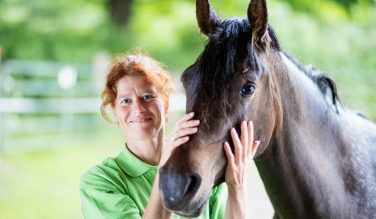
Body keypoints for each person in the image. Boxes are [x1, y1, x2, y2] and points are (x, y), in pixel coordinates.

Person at [80, 53, 260, 219]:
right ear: (116, 112)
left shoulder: (199, 167)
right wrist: (166, 167)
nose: (138, 107)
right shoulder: (100, 181)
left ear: (165, 104)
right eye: (126, 101)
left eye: (147, 96)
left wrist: (236, 186)